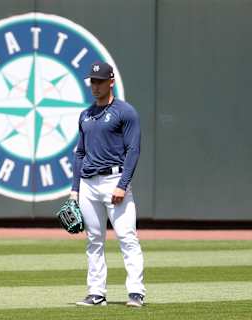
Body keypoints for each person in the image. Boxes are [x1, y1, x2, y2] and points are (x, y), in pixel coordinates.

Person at [72, 61, 145, 307]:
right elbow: (80, 154)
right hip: (88, 184)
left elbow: (133, 150)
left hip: (115, 179)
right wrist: (74, 190)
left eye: (100, 81)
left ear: (111, 81)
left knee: (127, 237)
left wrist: (123, 184)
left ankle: (136, 292)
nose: (95, 85)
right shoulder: (86, 114)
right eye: (92, 81)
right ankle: (96, 293)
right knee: (94, 240)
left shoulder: (126, 112)